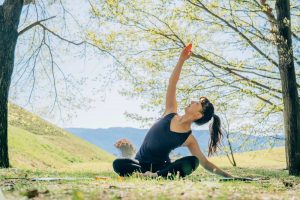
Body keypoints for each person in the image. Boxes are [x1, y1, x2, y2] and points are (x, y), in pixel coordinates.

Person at [113, 43, 233, 178]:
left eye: (197, 103)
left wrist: (229, 176)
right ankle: (145, 174)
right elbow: (172, 83)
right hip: (139, 164)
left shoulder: (189, 139)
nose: (192, 101)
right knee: (118, 164)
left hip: (161, 168)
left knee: (193, 161)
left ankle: (155, 175)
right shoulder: (170, 111)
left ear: (199, 115)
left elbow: (204, 163)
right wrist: (181, 60)